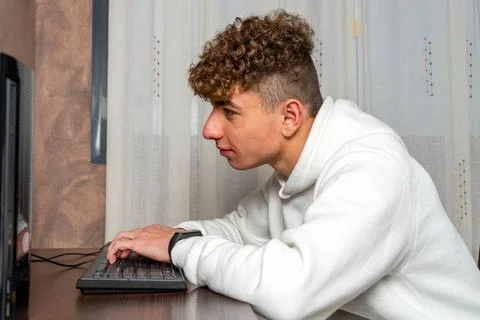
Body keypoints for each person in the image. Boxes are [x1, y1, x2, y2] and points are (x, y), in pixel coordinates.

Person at [107, 9, 480, 320]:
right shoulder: (300, 167)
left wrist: (178, 247)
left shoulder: (372, 172)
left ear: (289, 117)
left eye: (229, 111)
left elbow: (289, 292)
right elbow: (238, 231)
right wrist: (164, 239)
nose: (209, 128)